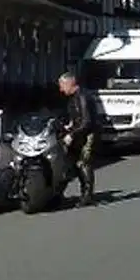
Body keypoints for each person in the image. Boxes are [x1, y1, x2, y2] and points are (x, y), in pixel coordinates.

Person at [57, 72, 101, 206]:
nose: (61, 90)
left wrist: (72, 134)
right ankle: (58, 194)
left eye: (62, 86)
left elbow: (86, 121)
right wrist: (69, 126)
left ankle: (87, 195)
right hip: (79, 132)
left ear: (69, 83)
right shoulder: (73, 98)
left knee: (83, 162)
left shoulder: (82, 96)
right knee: (71, 161)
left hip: (88, 134)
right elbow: (77, 117)